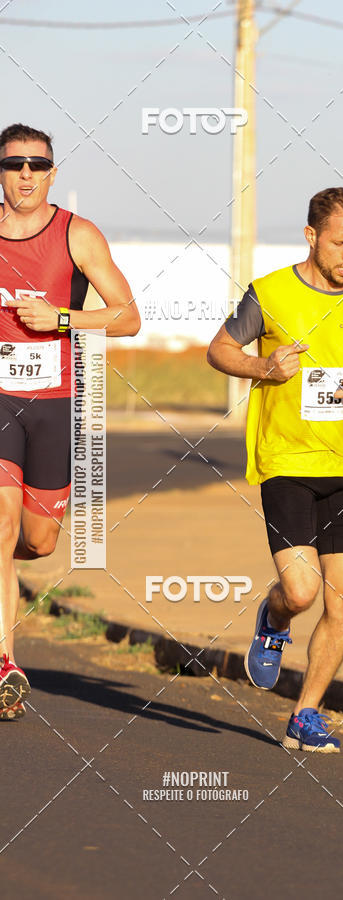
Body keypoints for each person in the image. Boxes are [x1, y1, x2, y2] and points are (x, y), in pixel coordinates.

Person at [208, 187, 343, 752]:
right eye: (339, 243)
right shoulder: (271, 292)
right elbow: (219, 350)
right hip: (286, 461)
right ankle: (274, 618)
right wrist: (264, 366)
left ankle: (306, 714)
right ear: (311, 236)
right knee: (301, 592)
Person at [0, 123, 140, 721]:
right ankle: (4, 665)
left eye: (37, 164)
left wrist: (60, 318)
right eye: (14, 164)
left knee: (38, 540)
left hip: (55, 403)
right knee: (1, 524)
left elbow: (127, 316)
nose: (25, 174)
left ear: (52, 173)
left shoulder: (76, 234)